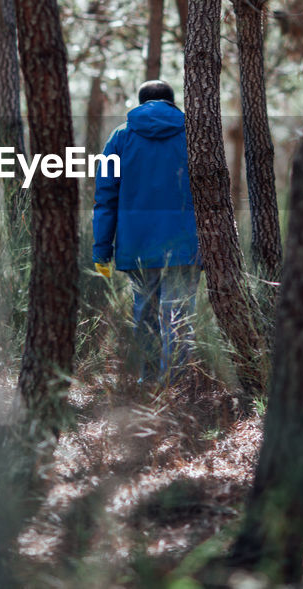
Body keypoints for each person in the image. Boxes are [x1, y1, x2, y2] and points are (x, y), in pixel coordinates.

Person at [92, 80, 200, 383]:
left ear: (140, 103)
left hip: (137, 245)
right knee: (177, 316)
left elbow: (105, 197)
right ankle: (176, 385)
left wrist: (101, 249)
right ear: (172, 102)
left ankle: (149, 380)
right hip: (184, 244)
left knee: (145, 315)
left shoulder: (120, 138)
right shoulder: (193, 134)